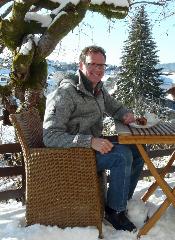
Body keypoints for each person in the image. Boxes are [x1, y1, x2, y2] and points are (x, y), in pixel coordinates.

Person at [43, 45, 144, 232]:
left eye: (102, 65)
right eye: (93, 64)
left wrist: (124, 114)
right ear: (81, 64)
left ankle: (121, 200)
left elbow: (113, 106)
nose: (98, 69)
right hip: (72, 154)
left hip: (92, 146)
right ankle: (114, 211)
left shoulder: (97, 88)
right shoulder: (64, 94)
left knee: (139, 150)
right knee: (122, 156)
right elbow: (50, 136)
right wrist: (89, 142)